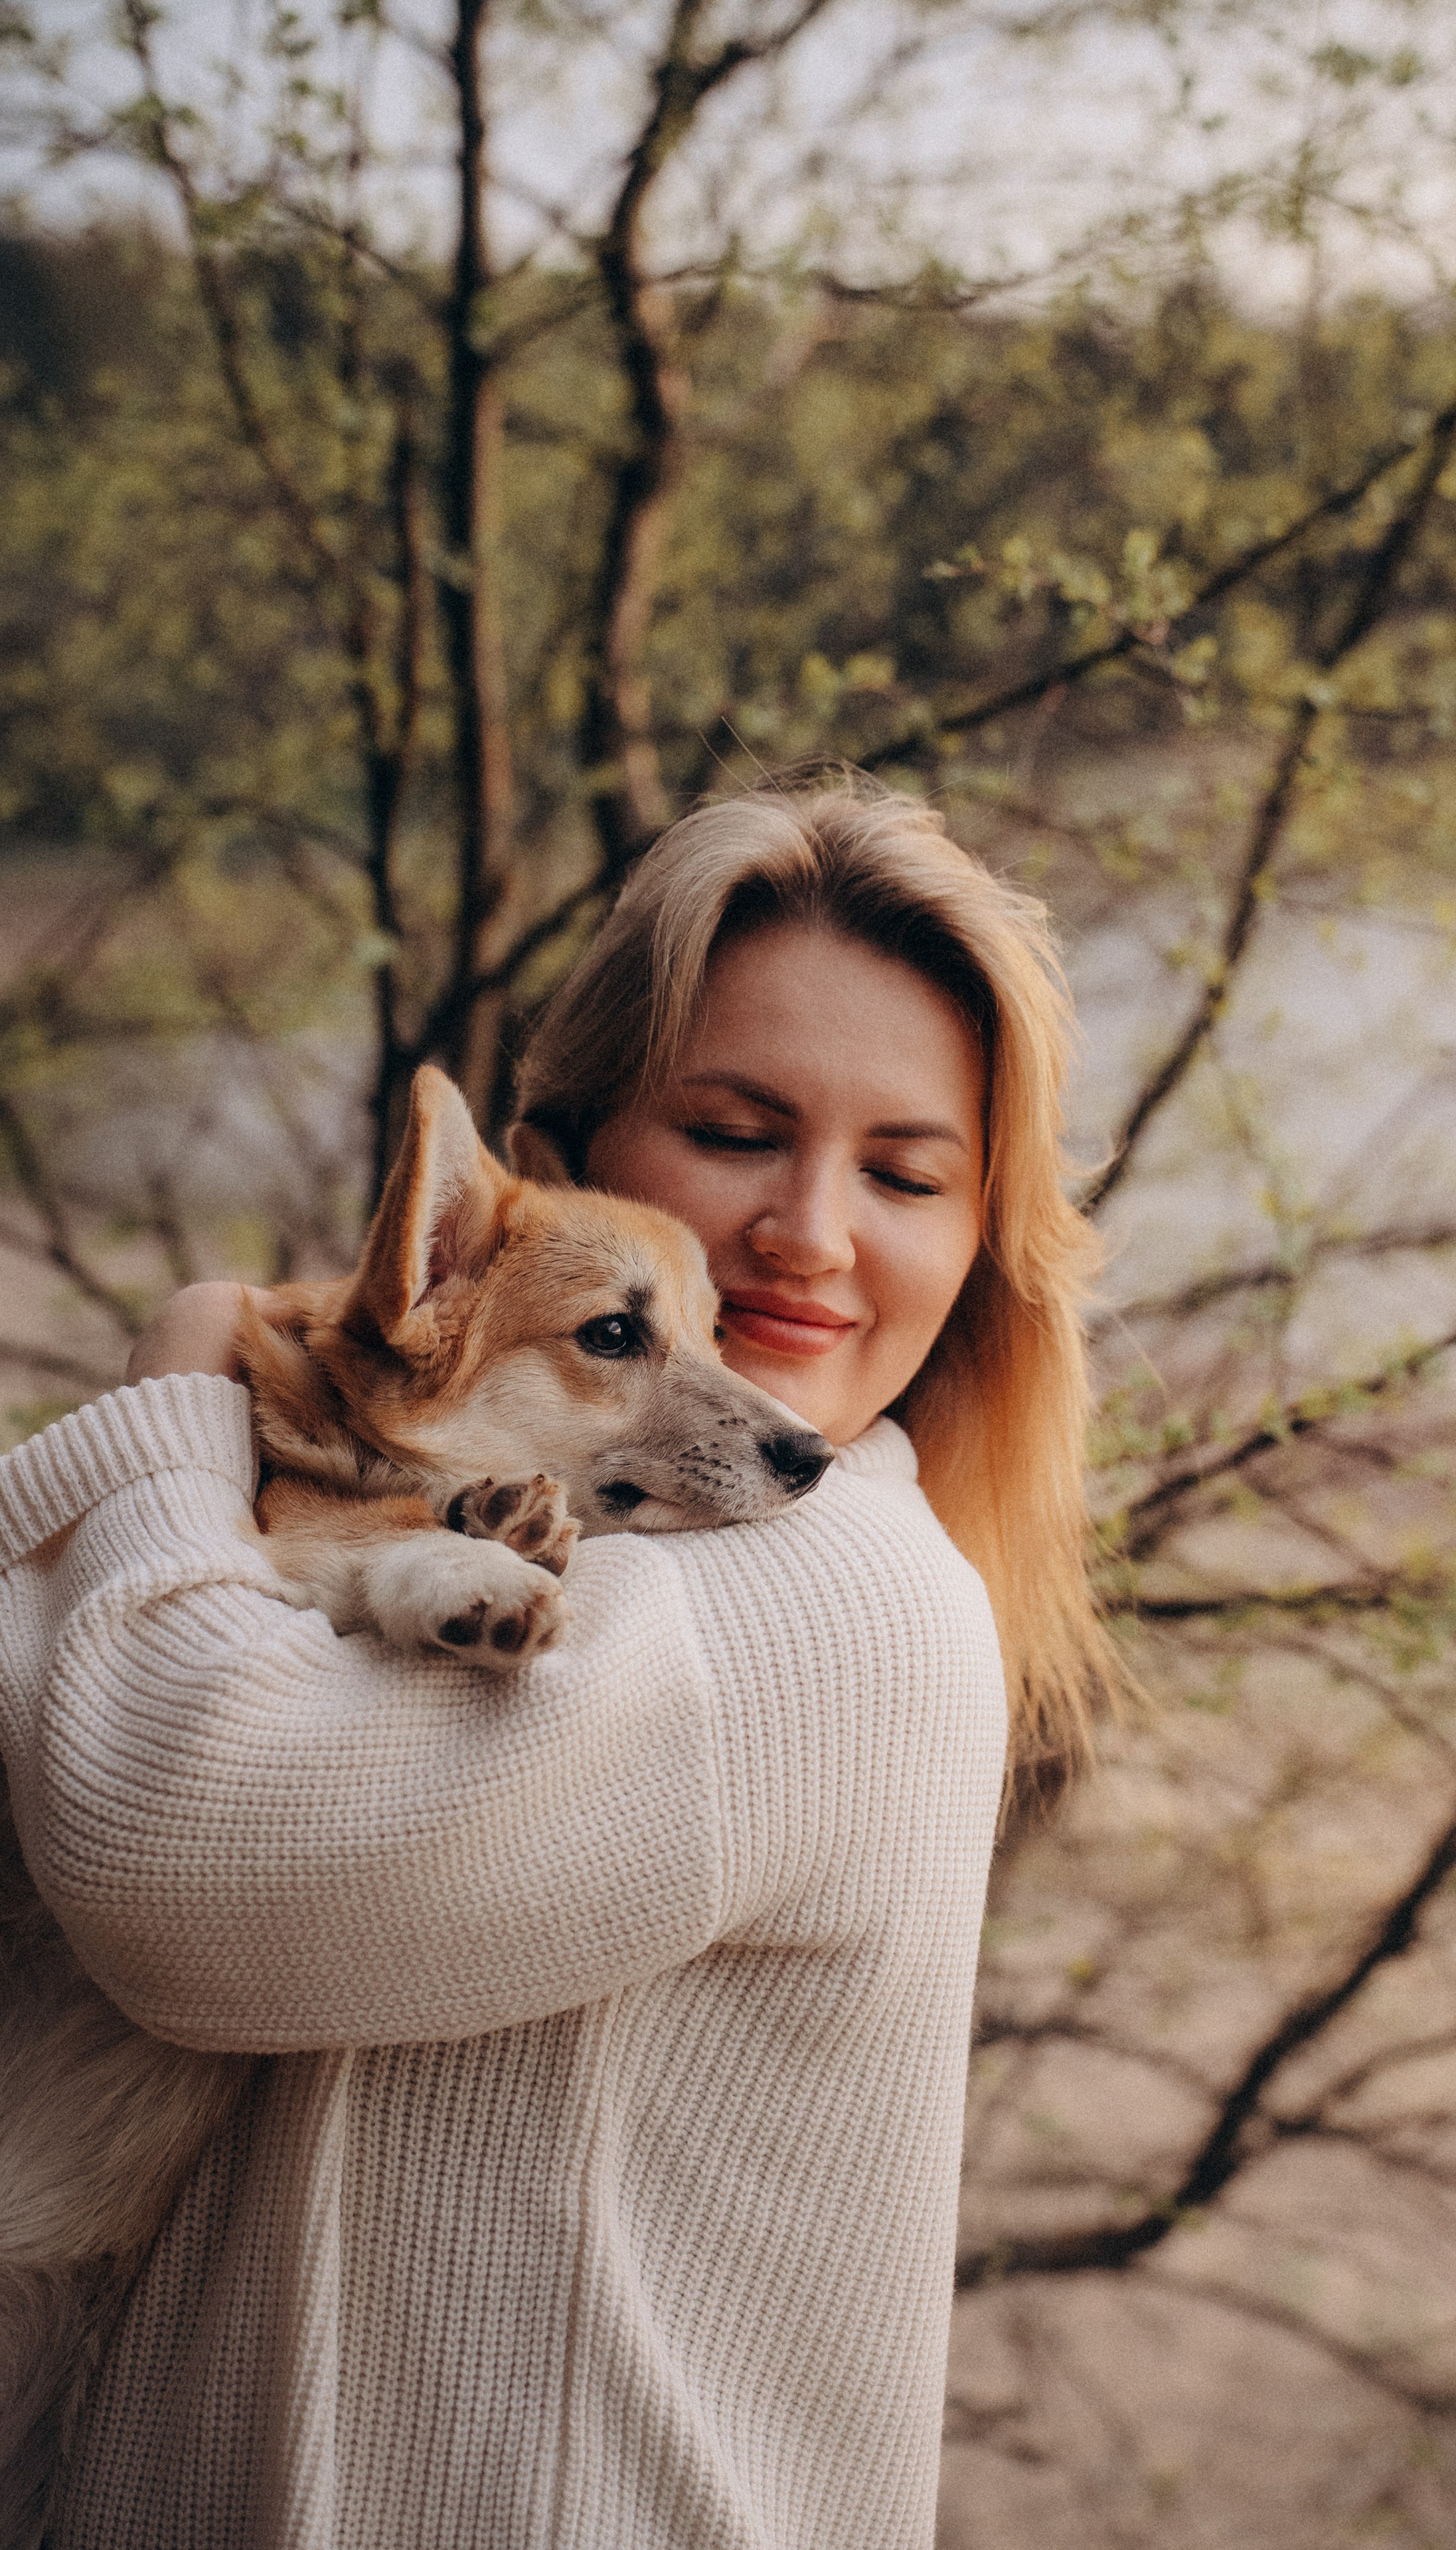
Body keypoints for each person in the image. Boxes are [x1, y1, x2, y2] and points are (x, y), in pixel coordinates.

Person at [0, 772, 1110, 2550]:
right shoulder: (593, 1526)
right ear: (571, 1156)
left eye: (908, 1171)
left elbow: (162, 1846)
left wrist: (164, 1400)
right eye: (741, 1132)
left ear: (981, 1245)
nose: (809, 1234)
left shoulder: (833, 1609)